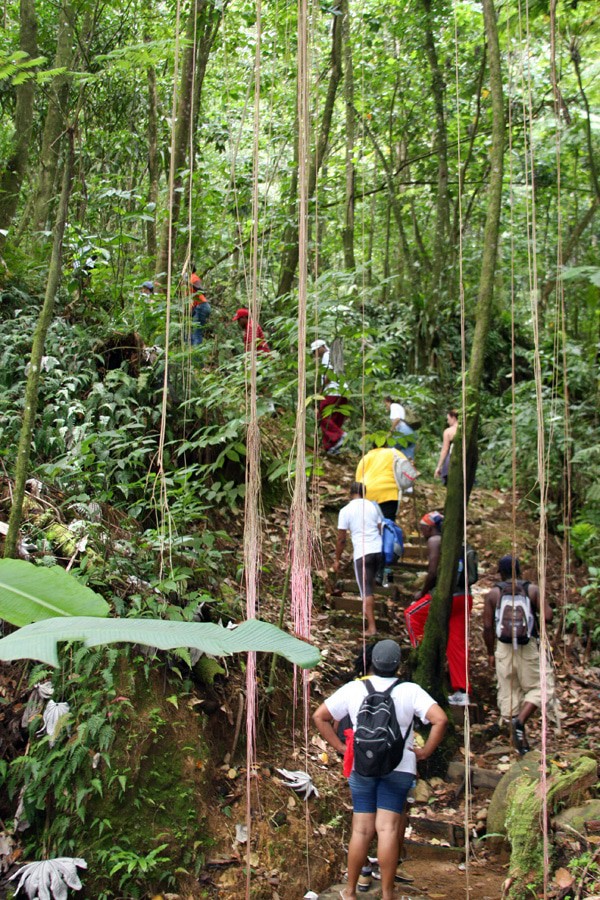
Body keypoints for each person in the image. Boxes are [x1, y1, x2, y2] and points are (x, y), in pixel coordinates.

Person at [313, 640, 448, 900]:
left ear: (372, 662)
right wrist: (425, 751)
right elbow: (439, 719)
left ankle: (350, 891)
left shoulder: (354, 688)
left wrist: (341, 747)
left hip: (362, 766)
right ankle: (387, 894)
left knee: (361, 829)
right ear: (398, 664)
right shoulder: (411, 691)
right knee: (387, 829)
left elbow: (320, 716)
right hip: (400, 767)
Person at [483, 555, 553, 755]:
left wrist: (490, 653)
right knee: (541, 687)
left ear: (500, 572)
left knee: (509, 691)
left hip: (504, 648)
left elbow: (488, 627)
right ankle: (520, 724)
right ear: (520, 569)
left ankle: (517, 736)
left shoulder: (493, 594)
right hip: (528, 645)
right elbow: (547, 616)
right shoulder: (532, 590)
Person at [403, 512, 472, 705]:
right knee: (456, 643)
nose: (421, 531)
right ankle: (462, 691)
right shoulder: (457, 541)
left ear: (431, 527)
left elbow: (433, 571)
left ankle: (421, 650)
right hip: (465, 596)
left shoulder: (435, 540)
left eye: (422, 527)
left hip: (446, 596)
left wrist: (422, 593)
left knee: (411, 615)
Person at [334, 483, 383, 636]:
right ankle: (370, 615)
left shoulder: (345, 510)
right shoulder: (373, 506)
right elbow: (381, 527)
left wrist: (337, 559)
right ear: (365, 492)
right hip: (378, 550)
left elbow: (341, 539)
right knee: (370, 586)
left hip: (363, 553)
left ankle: (371, 628)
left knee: (365, 591)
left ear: (351, 493)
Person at [311, 339, 348, 455]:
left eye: (315, 351)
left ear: (321, 347)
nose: (315, 354)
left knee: (322, 416)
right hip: (342, 391)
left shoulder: (327, 355)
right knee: (334, 419)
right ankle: (332, 447)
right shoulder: (334, 355)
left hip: (332, 391)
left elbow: (329, 374)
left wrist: (321, 390)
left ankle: (340, 435)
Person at [355, 446, 403, 521]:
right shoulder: (394, 452)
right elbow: (407, 470)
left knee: (370, 523)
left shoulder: (365, 458)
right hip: (388, 492)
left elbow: (358, 480)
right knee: (387, 524)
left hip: (368, 494)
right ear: (386, 444)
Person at [384, 396, 415, 460]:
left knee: (389, 449)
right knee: (407, 458)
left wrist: (390, 432)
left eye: (385, 403)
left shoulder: (393, 406)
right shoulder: (400, 407)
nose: (385, 406)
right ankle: (410, 468)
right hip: (410, 432)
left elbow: (397, 419)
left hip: (403, 432)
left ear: (388, 401)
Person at [434, 410, 458, 485]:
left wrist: (439, 466)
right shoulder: (467, 430)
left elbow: (445, 450)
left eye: (448, 419)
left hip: (452, 458)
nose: (448, 422)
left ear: (453, 418)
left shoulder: (448, 431)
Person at [189, 267, 211, 346]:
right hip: (197, 307)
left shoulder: (193, 277)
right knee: (191, 334)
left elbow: (201, 290)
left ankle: (196, 357)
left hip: (201, 306)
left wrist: (189, 284)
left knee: (196, 333)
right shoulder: (188, 279)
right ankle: (192, 353)